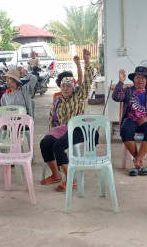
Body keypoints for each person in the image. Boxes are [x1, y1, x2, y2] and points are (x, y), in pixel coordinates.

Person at [40, 49, 96, 192]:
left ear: (73, 88)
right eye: (63, 86)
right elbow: (52, 119)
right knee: (45, 143)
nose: (65, 89)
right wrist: (50, 132)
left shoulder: (79, 96)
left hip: (79, 129)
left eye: (69, 86)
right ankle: (55, 174)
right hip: (61, 129)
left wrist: (85, 61)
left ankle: (71, 180)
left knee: (57, 147)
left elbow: (86, 81)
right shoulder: (57, 100)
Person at [112, 66, 147, 176]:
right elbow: (115, 97)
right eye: (137, 77)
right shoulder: (128, 91)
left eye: (143, 78)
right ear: (133, 79)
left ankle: (137, 159)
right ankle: (138, 161)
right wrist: (120, 82)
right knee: (125, 130)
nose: (140, 80)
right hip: (131, 119)